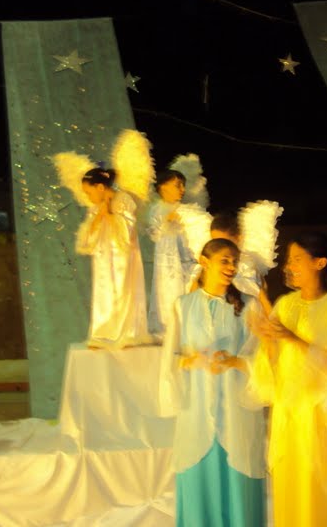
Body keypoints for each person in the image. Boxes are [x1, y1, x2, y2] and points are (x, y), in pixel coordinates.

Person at [246, 231, 327, 527]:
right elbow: (272, 365)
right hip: (288, 413)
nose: (290, 266)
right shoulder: (284, 304)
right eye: (288, 260)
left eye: (296, 259)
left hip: (321, 417)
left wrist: (294, 338)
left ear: (319, 263)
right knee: (290, 486)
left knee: (320, 487)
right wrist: (266, 338)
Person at [160, 238, 266, 526]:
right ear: (204, 262)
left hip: (235, 412)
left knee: (237, 487)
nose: (231, 267)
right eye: (225, 260)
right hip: (196, 411)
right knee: (200, 484)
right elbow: (169, 359)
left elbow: (263, 360)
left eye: (234, 261)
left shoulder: (250, 306)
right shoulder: (182, 306)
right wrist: (190, 360)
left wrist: (235, 362)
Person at [76, 167, 149, 349]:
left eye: (89, 192)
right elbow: (88, 239)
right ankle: (103, 334)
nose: (88, 197)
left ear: (100, 187)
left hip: (122, 259)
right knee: (104, 293)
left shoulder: (124, 200)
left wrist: (109, 213)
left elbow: (126, 233)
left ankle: (124, 334)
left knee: (122, 292)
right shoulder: (95, 208)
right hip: (103, 259)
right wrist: (99, 216)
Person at [146, 169, 199, 340]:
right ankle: (166, 331)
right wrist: (166, 220)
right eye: (178, 185)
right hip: (167, 262)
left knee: (187, 293)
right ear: (163, 187)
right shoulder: (156, 209)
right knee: (167, 293)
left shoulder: (185, 209)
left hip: (187, 260)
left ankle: (185, 332)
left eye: (183, 185)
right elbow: (153, 233)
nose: (182, 189)